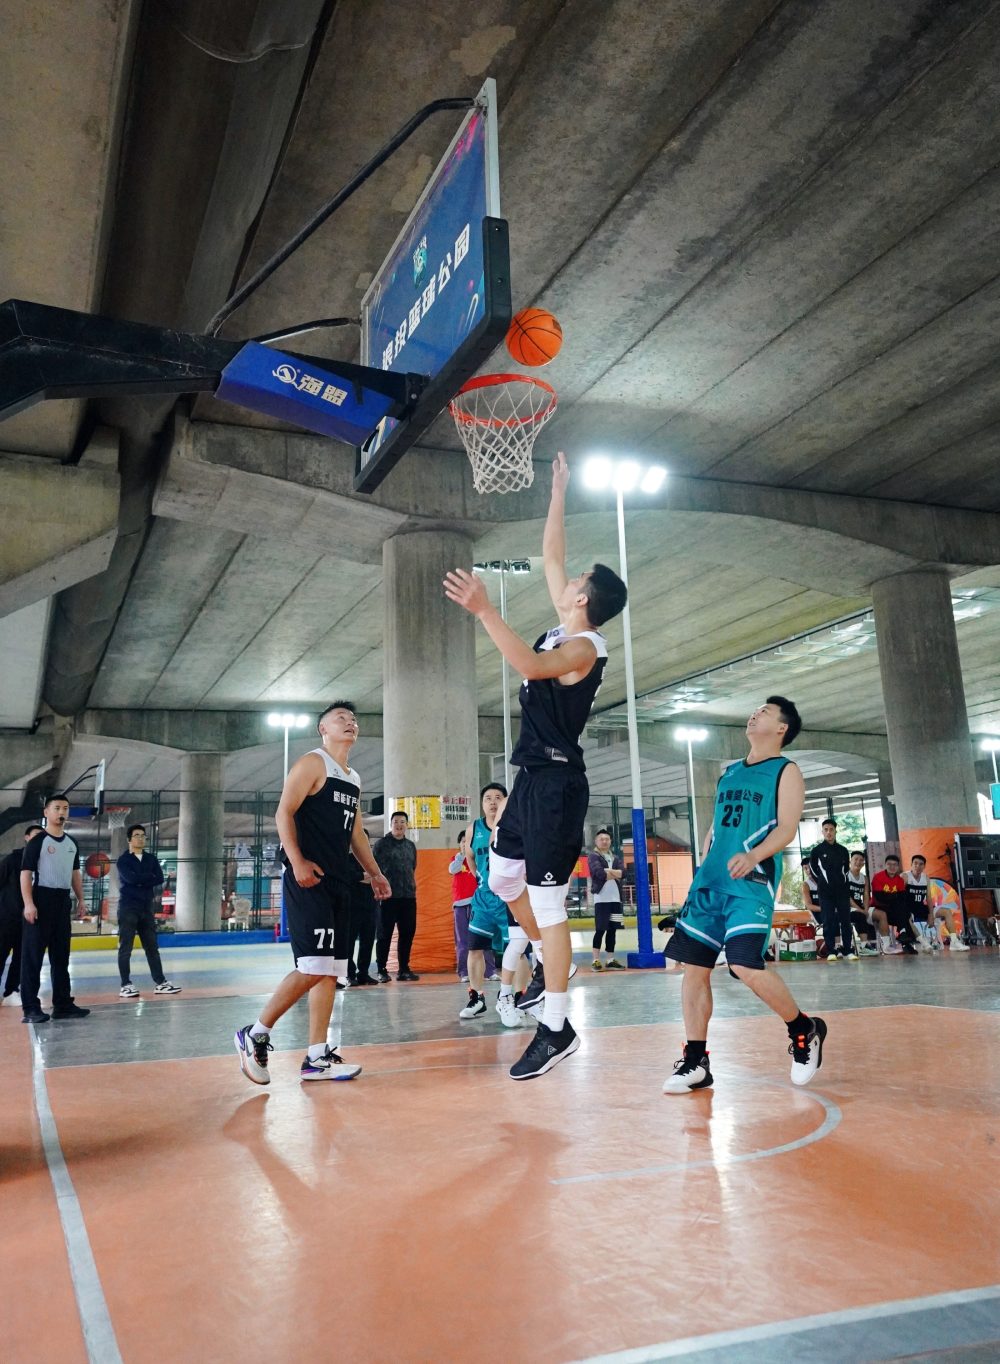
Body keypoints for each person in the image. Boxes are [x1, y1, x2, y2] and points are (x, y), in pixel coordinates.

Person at [445, 451, 628, 1079]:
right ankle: (549, 957)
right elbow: (552, 555)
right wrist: (558, 492)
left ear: (584, 597)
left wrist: (485, 610)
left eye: (578, 578)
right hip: (530, 781)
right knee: (502, 879)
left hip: (557, 786)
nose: (567, 577)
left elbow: (527, 664)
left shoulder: (583, 647)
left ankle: (556, 1027)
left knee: (549, 910)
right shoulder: (565, 622)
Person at [663, 698, 828, 1093]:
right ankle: (696, 1061)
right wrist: (704, 861)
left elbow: (786, 828)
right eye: (755, 710)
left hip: (751, 882)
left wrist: (753, 855)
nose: (755, 714)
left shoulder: (786, 771)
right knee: (694, 969)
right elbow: (717, 828)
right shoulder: (730, 772)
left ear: (782, 728)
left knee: (743, 964)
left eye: (765, 712)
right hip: (709, 884)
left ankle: (803, 1029)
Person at [234, 702, 391, 1084]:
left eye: (353, 720)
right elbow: (283, 813)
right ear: (323, 729)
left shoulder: (353, 778)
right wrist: (297, 861)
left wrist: (375, 873)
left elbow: (355, 833)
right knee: (314, 966)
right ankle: (255, 1033)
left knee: (331, 970)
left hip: (339, 881)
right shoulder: (313, 763)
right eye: (341, 719)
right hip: (309, 879)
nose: (350, 723)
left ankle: (316, 1057)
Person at [458, 782, 531, 1027]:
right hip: (483, 900)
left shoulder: (514, 826)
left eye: (498, 797)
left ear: (506, 802)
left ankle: (519, 998)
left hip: (511, 899)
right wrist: (482, 880)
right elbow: (470, 858)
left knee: (518, 951)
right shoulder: (474, 829)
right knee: (475, 948)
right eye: (488, 798)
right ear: (482, 803)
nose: (492, 802)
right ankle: (476, 998)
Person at [19, 795, 90, 1024]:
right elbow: (26, 874)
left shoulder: (71, 843)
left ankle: (62, 1004)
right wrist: (29, 904)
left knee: (61, 957)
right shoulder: (37, 842)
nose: (62, 812)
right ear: (46, 812)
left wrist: (81, 899)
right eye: (57, 808)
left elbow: (75, 873)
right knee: (33, 957)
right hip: (41, 900)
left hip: (62, 902)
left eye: (66, 808)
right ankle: (31, 1008)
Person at [116, 823, 181, 998]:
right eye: (136, 835)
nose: (140, 838)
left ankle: (161, 982)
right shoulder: (123, 860)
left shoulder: (151, 859)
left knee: (152, 946)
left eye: (143, 835)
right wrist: (146, 878)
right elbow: (130, 879)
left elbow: (158, 878)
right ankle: (125, 985)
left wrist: (139, 879)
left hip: (146, 907)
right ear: (129, 839)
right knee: (126, 947)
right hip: (128, 907)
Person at [0, 824, 44, 1007]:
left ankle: (11, 991)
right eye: (35, 835)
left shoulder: (45, 863)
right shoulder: (12, 860)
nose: (39, 839)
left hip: (29, 920)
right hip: (6, 918)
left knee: (21, 957)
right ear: (26, 838)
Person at [373, 811, 420, 982]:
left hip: (408, 897)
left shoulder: (410, 846)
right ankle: (381, 970)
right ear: (391, 824)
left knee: (407, 933)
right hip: (387, 897)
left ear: (407, 825)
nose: (399, 825)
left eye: (402, 822)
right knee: (384, 934)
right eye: (396, 822)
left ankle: (404, 969)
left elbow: (412, 867)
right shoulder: (381, 845)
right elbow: (374, 869)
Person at [449, 830, 493, 982]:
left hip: (479, 904)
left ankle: (489, 972)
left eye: (468, 842)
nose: (465, 844)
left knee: (484, 937)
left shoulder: (480, 859)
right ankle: (464, 972)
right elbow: (452, 870)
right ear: (459, 844)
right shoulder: (456, 859)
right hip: (461, 905)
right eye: (462, 842)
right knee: (462, 940)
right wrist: (462, 855)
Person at [809, 818, 855, 962]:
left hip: (842, 891)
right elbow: (813, 871)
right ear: (822, 832)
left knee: (846, 921)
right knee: (828, 921)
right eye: (826, 830)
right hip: (825, 893)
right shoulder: (816, 851)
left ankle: (848, 950)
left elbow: (846, 870)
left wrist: (840, 883)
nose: (829, 832)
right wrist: (823, 883)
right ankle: (831, 951)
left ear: (835, 831)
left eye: (831, 830)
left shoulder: (843, 850)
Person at [588, 830, 625, 970]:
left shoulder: (615, 857)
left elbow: (623, 873)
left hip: (616, 899)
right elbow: (599, 873)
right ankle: (596, 960)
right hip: (601, 899)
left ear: (610, 841)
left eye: (607, 839)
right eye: (601, 839)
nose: (604, 841)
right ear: (596, 841)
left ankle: (610, 960)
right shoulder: (593, 856)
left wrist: (609, 871)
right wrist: (614, 873)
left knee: (613, 929)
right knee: (600, 929)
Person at [347, 831, 379, 986]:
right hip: (351, 907)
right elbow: (349, 877)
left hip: (370, 906)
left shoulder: (372, 861)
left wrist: (365, 876)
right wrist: (367, 876)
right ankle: (349, 974)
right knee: (349, 942)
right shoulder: (347, 859)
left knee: (367, 942)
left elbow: (378, 877)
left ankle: (363, 973)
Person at [870, 854, 914, 954]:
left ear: (898, 867)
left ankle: (903, 936)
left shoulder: (899, 880)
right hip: (878, 907)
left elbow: (902, 897)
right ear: (885, 865)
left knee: (905, 911)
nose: (892, 867)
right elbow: (879, 897)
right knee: (902, 911)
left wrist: (892, 897)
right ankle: (905, 940)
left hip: (893, 910)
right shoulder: (878, 877)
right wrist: (895, 896)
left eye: (895, 865)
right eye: (889, 864)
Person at [846, 849, 878, 955]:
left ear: (863, 864)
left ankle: (877, 945)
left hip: (860, 908)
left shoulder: (864, 878)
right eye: (856, 859)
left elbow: (866, 896)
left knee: (877, 915)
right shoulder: (845, 875)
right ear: (850, 861)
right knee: (860, 916)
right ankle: (864, 946)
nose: (858, 862)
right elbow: (847, 897)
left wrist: (866, 909)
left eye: (861, 860)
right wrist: (861, 910)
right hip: (846, 908)